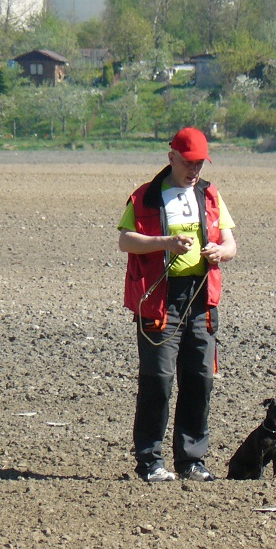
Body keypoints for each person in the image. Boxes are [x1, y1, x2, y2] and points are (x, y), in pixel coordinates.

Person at [117, 127, 237, 482]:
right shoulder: (145, 197)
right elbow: (126, 241)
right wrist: (165, 242)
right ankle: (150, 461)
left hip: (201, 299)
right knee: (159, 379)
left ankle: (191, 461)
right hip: (159, 302)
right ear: (172, 158)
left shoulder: (211, 195)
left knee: (200, 378)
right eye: (188, 162)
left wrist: (220, 251)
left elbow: (231, 244)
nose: (194, 169)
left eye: (200, 163)